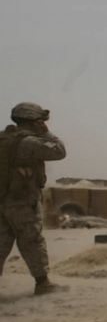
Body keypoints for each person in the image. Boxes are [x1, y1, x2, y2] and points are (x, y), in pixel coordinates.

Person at [0, 102, 68, 295]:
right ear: (34, 121)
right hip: (22, 201)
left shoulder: (2, 140)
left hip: (1, 200)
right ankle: (43, 283)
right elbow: (59, 151)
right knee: (32, 240)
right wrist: (46, 133)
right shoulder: (28, 142)